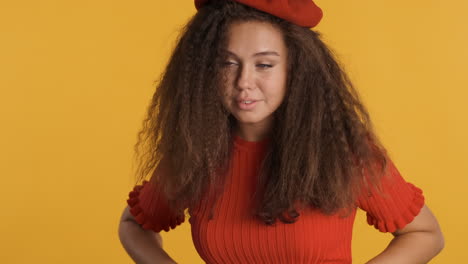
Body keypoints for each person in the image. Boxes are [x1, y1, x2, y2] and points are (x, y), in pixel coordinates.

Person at [118, 0, 444, 263]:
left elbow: (425, 234)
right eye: (227, 63)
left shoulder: (342, 151)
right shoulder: (195, 152)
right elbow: (134, 226)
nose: (244, 81)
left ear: (296, 68)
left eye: (264, 64)